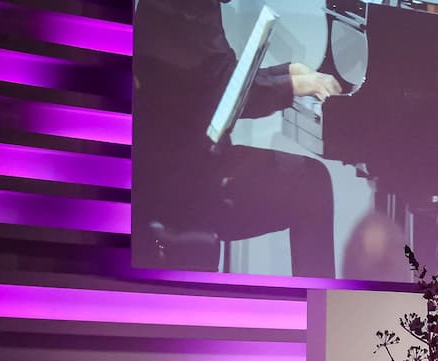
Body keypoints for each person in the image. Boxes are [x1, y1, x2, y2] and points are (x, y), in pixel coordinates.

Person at [131, 0, 339, 278]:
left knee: (310, 180)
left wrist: (285, 73)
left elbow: (213, 74)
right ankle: (317, 311)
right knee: (311, 184)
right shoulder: (176, 7)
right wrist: (291, 86)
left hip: (186, 161)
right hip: (177, 183)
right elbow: (215, 93)